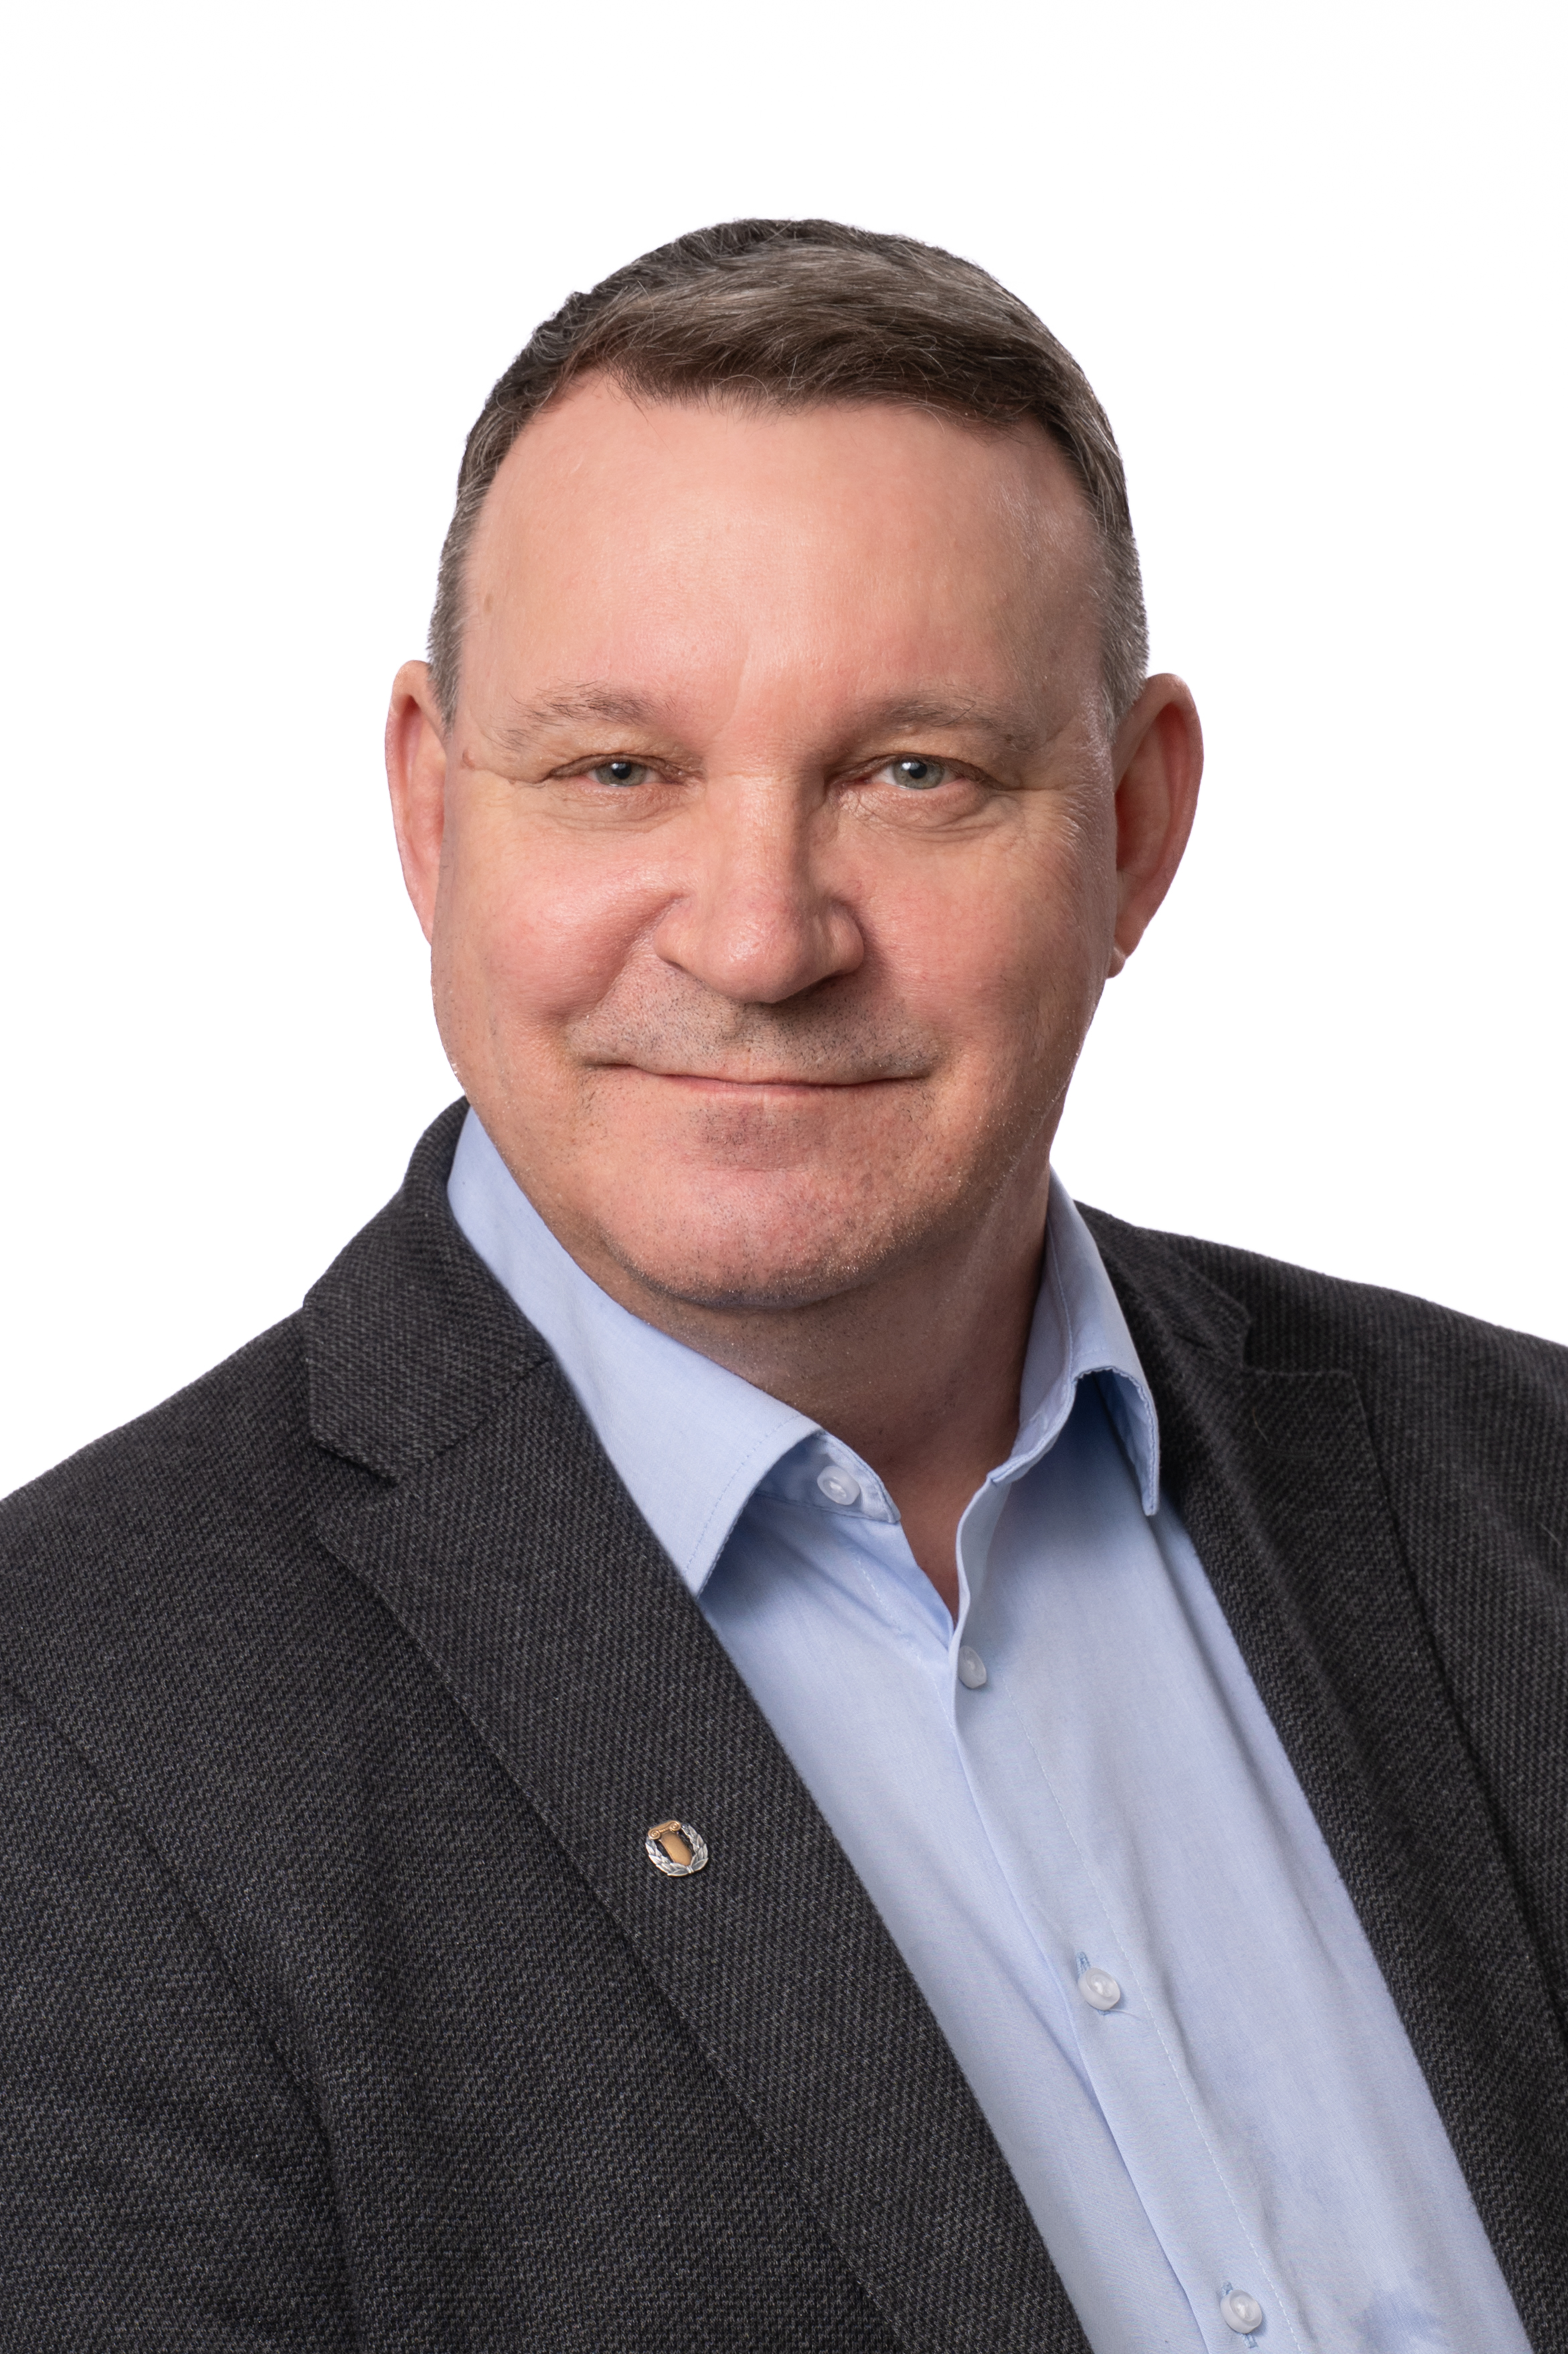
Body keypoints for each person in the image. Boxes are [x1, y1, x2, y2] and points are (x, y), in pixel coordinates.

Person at [1, 219, 1564, 2354]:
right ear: (432, 816)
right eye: (617, 771)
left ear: (1133, 827)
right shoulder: (74, 1739)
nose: (758, 938)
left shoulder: (1521, 1494)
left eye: (914, 773)